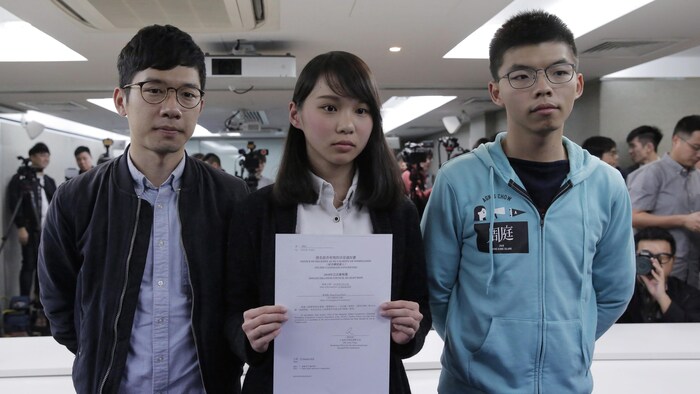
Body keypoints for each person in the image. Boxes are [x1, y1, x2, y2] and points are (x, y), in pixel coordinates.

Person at [421, 10, 635, 393]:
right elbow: (434, 290)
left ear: (578, 83)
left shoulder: (606, 185)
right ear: (496, 91)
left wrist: (570, 343)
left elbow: (614, 289)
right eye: (522, 76)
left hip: (567, 385)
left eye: (558, 72)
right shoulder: (459, 181)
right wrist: (477, 347)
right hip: (472, 386)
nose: (543, 88)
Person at [38, 25, 248, 393]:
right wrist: (100, 353)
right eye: (153, 91)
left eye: (187, 94)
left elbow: (241, 298)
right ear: (121, 100)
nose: (171, 108)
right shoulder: (76, 199)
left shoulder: (230, 198)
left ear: (200, 105)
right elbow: (59, 305)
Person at [227, 51, 431, 394]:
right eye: (330, 107)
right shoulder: (257, 211)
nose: (347, 124)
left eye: (361, 110)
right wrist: (250, 336)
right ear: (295, 114)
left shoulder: (398, 213)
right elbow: (232, 312)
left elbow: (418, 306)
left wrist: (410, 330)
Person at [627, 115, 700, 288]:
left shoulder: (696, 177)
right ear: (676, 140)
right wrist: (682, 220)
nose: (699, 155)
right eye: (695, 147)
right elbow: (632, 217)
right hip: (657, 271)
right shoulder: (651, 173)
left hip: (691, 268)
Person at [618, 227, 700, 323]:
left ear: (673, 261)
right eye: (646, 257)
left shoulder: (688, 294)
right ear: (633, 258)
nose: (654, 264)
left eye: (662, 257)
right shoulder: (620, 293)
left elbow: (692, 332)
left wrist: (662, 297)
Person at [7, 142, 56, 298]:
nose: (45, 158)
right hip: (30, 230)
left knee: (44, 268)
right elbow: (14, 201)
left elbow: (55, 203)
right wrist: (21, 227)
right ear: (32, 157)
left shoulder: (49, 181)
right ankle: (24, 303)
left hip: (48, 232)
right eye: (42, 155)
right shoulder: (21, 179)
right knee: (29, 265)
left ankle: (40, 305)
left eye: (47, 155)